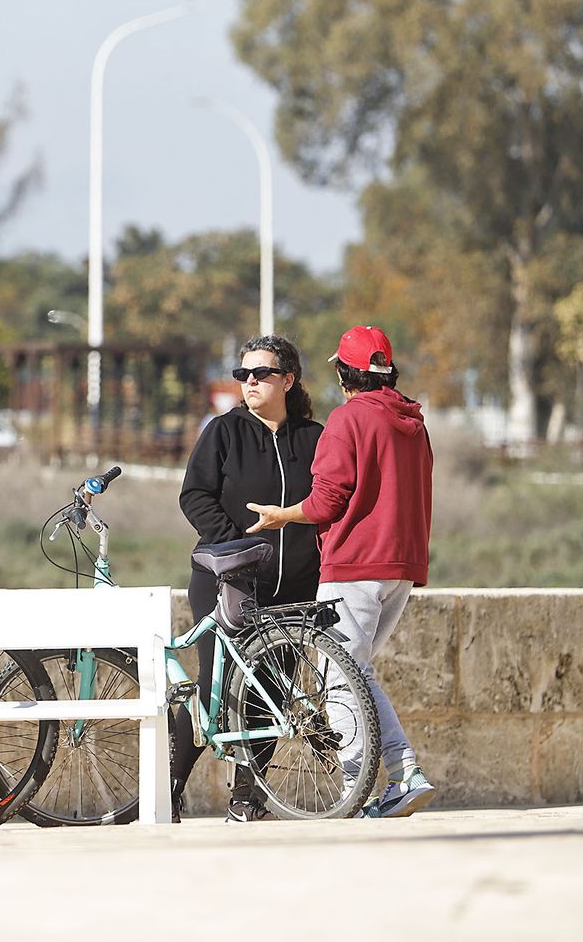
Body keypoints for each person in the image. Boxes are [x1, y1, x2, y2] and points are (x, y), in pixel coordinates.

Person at [247, 324, 436, 818]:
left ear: (344, 371)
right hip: (402, 566)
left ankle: (390, 774)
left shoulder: (348, 419)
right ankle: (389, 776)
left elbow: (328, 501)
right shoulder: (413, 422)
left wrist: (282, 515)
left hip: (355, 563)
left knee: (340, 676)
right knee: (355, 673)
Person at [175, 334, 323, 822]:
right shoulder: (224, 431)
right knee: (212, 686)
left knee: (272, 691)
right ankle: (171, 785)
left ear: (288, 379)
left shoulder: (314, 437)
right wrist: (237, 544)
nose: (250, 382)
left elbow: (330, 501)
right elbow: (195, 496)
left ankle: (246, 796)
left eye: (261, 374)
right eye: (244, 375)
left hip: (293, 583)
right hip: (227, 579)